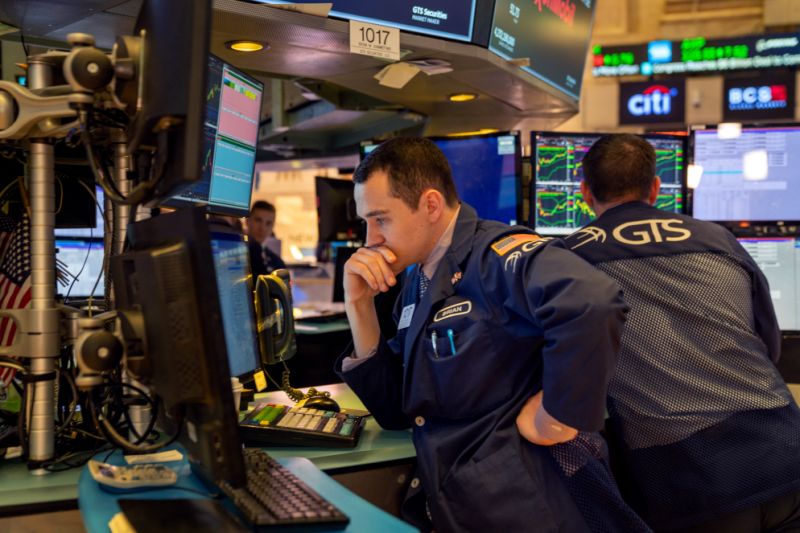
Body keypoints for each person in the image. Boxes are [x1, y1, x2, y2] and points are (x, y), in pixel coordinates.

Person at [336, 137, 649, 532]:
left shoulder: (499, 255)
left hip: (524, 506)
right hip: (463, 502)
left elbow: (592, 303)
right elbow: (398, 410)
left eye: (380, 219)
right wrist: (359, 307)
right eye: (366, 222)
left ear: (430, 205)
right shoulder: (417, 280)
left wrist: (558, 415)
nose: (370, 240)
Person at [565, 134, 800, 532]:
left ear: (585, 192)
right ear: (655, 188)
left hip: (694, 483)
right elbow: (770, 346)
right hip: (786, 452)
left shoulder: (569, 260)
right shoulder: (718, 239)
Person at [246, 200, 285, 277]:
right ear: (247, 221)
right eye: (258, 220)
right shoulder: (236, 254)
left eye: (268, 223)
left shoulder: (277, 262)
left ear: (273, 226)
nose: (262, 228)